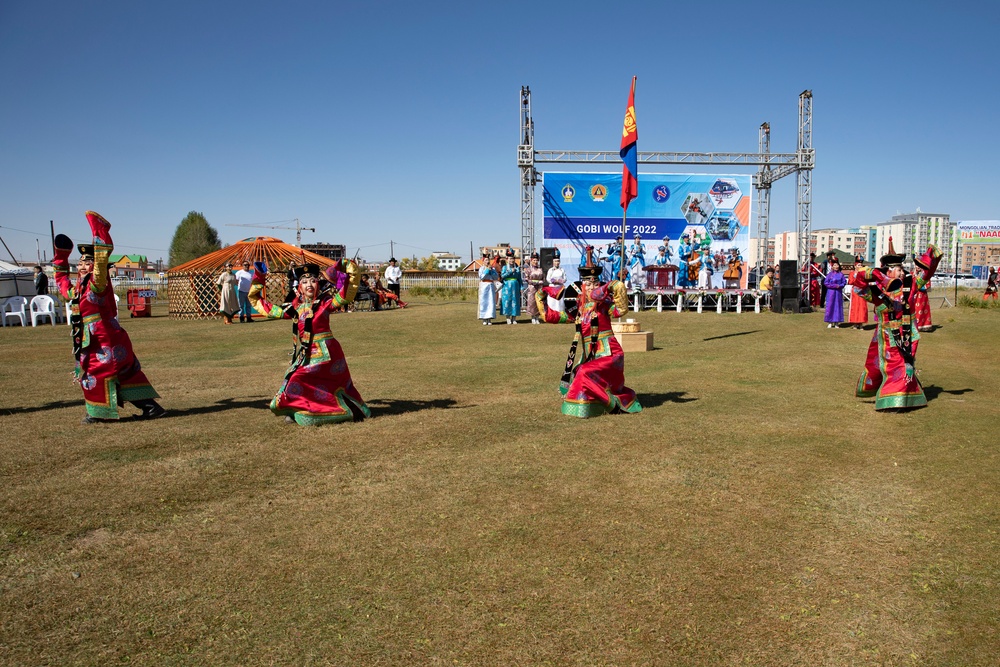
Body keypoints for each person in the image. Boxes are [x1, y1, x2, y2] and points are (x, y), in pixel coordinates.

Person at [52, 211, 165, 423]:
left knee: (99, 372)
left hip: (104, 337)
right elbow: (61, 281)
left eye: (88, 263)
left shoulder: (97, 284)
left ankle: (98, 414)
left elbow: (101, 266)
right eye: (80, 263)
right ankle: (151, 408)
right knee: (123, 374)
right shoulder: (77, 290)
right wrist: (61, 255)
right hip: (89, 337)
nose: (82, 267)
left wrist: (99, 231)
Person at [247, 260, 370, 425]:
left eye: (313, 280)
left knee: (298, 377)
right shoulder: (294, 308)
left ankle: (337, 411)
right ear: (300, 287)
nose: (309, 285)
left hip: (327, 353)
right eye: (304, 282)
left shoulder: (326, 303)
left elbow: (347, 292)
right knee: (291, 378)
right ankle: (294, 409)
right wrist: (259, 278)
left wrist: (346, 267)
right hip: (306, 351)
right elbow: (261, 304)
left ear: (318, 283)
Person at [851, 239, 942, 411]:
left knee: (905, 366)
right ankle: (894, 398)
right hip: (887, 336)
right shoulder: (878, 290)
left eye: (902, 270)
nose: (902, 273)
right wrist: (873, 274)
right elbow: (857, 287)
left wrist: (932, 258)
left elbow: (926, 274)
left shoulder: (911, 284)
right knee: (892, 366)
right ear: (889, 271)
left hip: (908, 335)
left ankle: (901, 398)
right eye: (898, 270)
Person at [560, 248, 642, 418]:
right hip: (592, 355)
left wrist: (615, 287)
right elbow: (560, 317)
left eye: (595, 284)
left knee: (584, 373)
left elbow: (621, 310)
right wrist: (542, 301)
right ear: (582, 286)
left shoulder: (604, 304)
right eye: (588, 284)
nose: (591, 288)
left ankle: (613, 405)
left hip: (610, 354)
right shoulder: (580, 309)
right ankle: (591, 405)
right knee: (580, 372)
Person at [845, 256, 869, 329]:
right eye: (858, 265)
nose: (860, 266)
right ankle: (855, 323)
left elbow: (866, 282)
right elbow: (850, 281)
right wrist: (856, 276)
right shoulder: (852, 273)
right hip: (855, 291)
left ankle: (861, 323)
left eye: (861, 265)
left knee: (862, 307)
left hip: (862, 291)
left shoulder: (864, 273)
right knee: (855, 307)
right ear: (855, 266)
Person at [500, 249, 523, 325]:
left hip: (515, 287)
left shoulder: (517, 267)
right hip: (507, 287)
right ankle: (508, 318)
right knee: (507, 301)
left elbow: (520, 278)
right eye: (510, 259)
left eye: (513, 258)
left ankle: (514, 318)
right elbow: (502, 276)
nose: (511, 260)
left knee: (515, 302)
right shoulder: (504, 268)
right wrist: (510, 272)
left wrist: (521, 287)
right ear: (507, 259)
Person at [823, 259, 846, 328]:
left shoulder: (841, 274)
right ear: (832, 267)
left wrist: (840, 286)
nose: (836, 266)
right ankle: (830, 321)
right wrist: (834, 286)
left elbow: (844, 282)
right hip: (831, 292)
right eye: (834, 265)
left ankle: (836, 322)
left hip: (838, 292)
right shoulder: (829, 275)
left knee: (837, 306)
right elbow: (826, 283)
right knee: (830, 306)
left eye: (837, 265)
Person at [477, 251, 499, 325]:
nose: (487, 261)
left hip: (490, 285)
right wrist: (487, 270)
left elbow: (496, 277)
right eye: (486, 260)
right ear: (483, 261)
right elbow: (482, 277)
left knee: (490, 302)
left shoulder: (492, 269)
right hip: (484, 286)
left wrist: (491, 271)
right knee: (484, 302)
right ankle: (484, 318)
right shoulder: (481, 269)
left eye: (488, 260)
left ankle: (489, 318)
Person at [523, 251, 545, 324]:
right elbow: (526, 278)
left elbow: (543, 278)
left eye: (536, 260)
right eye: (534, 260)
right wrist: (533, 282)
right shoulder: (528, 269)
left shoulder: (540, 269)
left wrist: (540, 282)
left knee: (539, 301)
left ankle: (537, 317)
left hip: (539, 287)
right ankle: (532, 317)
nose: (535, 262)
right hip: (532, 287)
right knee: (532, 302)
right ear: (531, 260)